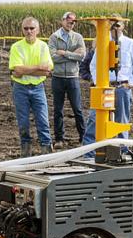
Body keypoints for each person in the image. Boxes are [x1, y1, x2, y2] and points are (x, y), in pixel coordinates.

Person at [83, 16, 133, 147]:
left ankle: (123, 151)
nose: (115, 27)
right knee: (95, 119)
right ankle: (89, 152)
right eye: (112, 24)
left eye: (118, 24)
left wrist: (131, 83)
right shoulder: (102, 43)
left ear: (123, 26)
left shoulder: (130, 44)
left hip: (122, 88)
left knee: (121, 122)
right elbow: (94, 65)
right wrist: (98, 82)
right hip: (105, 88)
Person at [8, 16, 54, 157]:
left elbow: (47, 71)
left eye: (32, 28)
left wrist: (25, 70)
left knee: (43, 120)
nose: (29, 31)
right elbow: (17, 70)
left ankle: (46, 151)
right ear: (22, 30)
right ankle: (26, 152)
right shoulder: (16, 47)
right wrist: (38, 68)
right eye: (26, 28)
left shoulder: (43, 46)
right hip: (20, 88)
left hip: (37, 87)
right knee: (23, 121)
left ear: (38, 30)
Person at [48, 11, 87, 148]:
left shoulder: (78, 37)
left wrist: (64, 53)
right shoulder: (54, 37)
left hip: (72, 78)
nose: (72, 24)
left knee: (77, 109)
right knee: (58, 110)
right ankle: (59, 139)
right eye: (69, 21)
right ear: (62, 21)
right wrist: (72, 54)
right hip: (58, 78)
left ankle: (83, 137)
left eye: (74, 22)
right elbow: (52, 57)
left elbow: (82, 56)